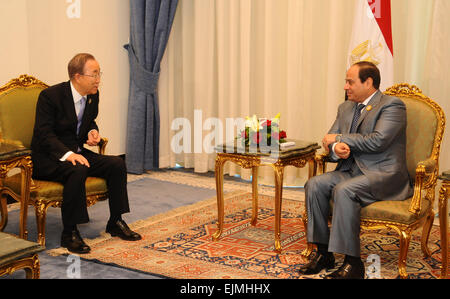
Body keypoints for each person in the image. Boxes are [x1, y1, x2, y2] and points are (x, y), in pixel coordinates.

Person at [299, 61, 413, 279]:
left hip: (384, 174)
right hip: (351, 170)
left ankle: (353, 263)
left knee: (345, 190)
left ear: (368, 82)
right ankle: (324, 253)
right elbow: (329, 139)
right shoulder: (345, 107)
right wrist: (336, 148)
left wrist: (340, 139)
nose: (345, 87)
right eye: (346, 82)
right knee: (314, 184)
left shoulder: (392, 105)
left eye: (350, 82)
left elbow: (378, 141)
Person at [31, 53, 141, 254]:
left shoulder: (92, 95)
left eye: (100, 74)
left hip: (77, 152)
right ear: (77, 76)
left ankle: (116, 221)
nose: (98, 80)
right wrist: (67, 154)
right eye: (94, 74)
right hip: (50, 158)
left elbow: (89, 121)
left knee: (116, 163)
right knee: (78, 168)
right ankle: (70, 232)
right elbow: (43, 134)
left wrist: (92, 131)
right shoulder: (50, 97)